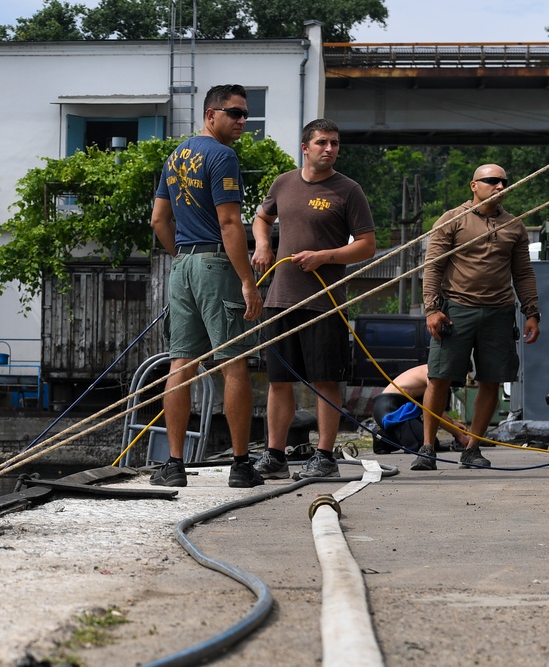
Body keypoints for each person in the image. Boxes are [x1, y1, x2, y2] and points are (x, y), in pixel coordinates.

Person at [149, 84, 264, 488]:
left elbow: (159, 221)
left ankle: (174, 465)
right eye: (235, 113)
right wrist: (248, 282)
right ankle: (240, 464)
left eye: (245, 114)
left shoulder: (176, 155)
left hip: (182, 265)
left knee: (181, 362)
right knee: (233, 361)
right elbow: (231, 223)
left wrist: (182, 255)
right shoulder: (222, 156)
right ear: (211, 114)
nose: (242, 122)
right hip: (216, 263)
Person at [250, 118, 376, 479]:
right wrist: (263, 244)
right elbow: (261, 218)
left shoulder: (349, 190)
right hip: (280, 298)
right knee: (278, 381)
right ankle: (274, 455)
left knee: (325, 381)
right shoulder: (283, 183)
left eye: (335, 143)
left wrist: (325, 257)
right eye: (322, 142)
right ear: (305, 147)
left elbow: (367, 246)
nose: (330, 149)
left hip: (325, 303)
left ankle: (324, 456)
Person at [412, 164, 540, 471]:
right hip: (456, 309)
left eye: (504, 182)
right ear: (474, 185)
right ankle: (427, 447)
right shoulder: (452, 219)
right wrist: (432, 309)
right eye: (492, 181)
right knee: (439, 377)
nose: (499, 186)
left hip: (499, 311)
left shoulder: (514, 226)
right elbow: (433, 267)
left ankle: (472, 448)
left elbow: (523, 272)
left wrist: (532, 312)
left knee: (491, 380)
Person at [373, 364, 469, 452]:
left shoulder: (434, 372)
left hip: (399, 407)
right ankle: (382, 436)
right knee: (425, 445)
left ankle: (388, 438)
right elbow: (434, 414)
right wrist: (459, 435)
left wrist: (453, 423)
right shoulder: (432, 374)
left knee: (432, 443)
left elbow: (436, 409)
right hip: (390, 409)